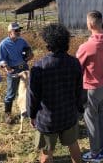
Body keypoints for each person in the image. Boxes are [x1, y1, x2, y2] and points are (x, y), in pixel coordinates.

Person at [27, 23, 84, 163]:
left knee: (47, 152)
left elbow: (33, 96)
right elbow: (79, 90)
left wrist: (31, 115)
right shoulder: (75, 63)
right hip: (69, 114)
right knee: (73, 145)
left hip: (47, 119)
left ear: (48, 45)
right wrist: (79, 108)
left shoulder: (38, 67)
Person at [76, 11, 103, 162]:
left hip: (91, 87)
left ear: (90, 24)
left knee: (91, 120)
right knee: (102, 117)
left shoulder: (87, 46)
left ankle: (94, 153)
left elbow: (76, 68)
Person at [0, 22, 33, 123]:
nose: (19, 32)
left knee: (27, 90)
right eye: (16, 31)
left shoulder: (22, 41)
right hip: (12, 70)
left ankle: (27, 111)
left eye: (19, 30)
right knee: (11, 93)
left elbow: (28, 52)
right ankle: (7, 114)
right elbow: (1, 59)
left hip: (24, 68)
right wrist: (5, 66)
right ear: (10, 32)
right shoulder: (3, 44)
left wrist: (30, 55)